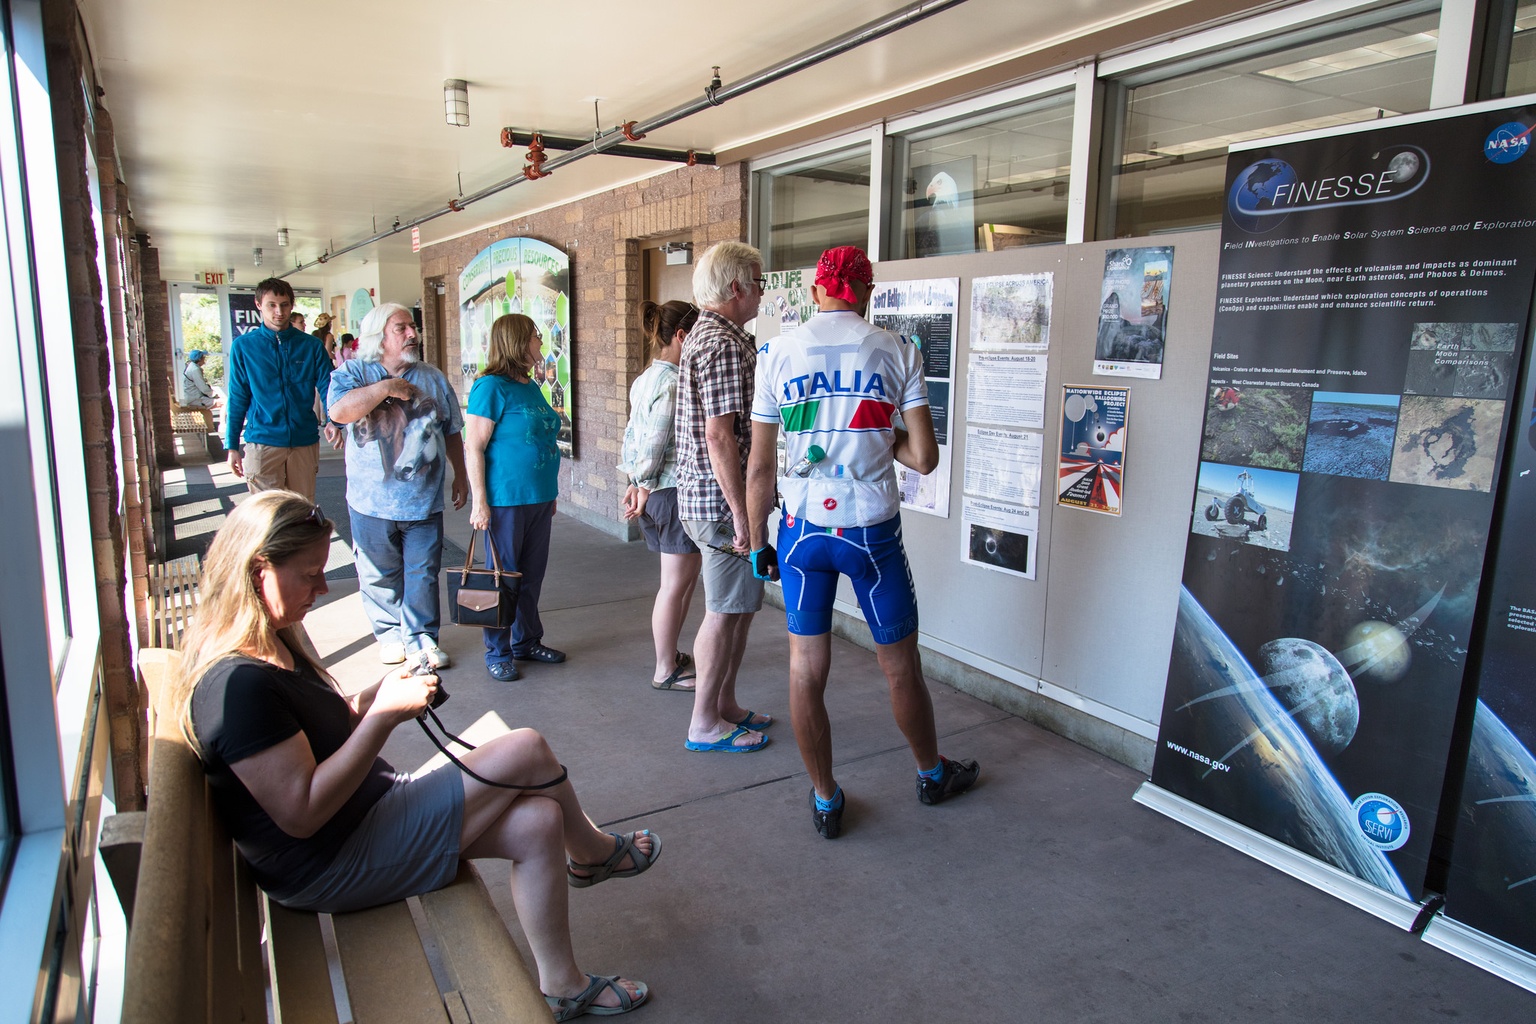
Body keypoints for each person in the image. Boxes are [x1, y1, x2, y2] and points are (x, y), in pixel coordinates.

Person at [169, 491, 657, 1021]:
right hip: (331, 861)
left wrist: (370, 699)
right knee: (527, 749)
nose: (321, 586)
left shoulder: (273, 641)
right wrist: (382, 718)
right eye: (309, 574)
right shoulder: (234, 689)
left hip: (362, 817)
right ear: (258, 570)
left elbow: (312, 733)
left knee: (539, 821)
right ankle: (591, 854)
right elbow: (302, 812)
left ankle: (563, 985)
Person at [745, 245, 980, 839]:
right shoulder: (899, 350)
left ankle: (825, 799)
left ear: (818, 291)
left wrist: (755, 542)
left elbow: (759, 467)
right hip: (871, 530)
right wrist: (879, 434)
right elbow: (924, 457)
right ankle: (931, 773)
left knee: (805, 670)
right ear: (866, 292)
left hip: (800, 533)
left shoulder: (774, 353)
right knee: (900, 668)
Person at [328, 303, 468, 669]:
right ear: (380, 337)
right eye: (401, 328)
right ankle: (390, 635)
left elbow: (452, 430)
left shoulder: (433, 377)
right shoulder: (355, 372)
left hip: (423, 501)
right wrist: (387, 387)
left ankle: (422, 639)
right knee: (379, 573)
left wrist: (461, 475)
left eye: (412, 326)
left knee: (422, 572)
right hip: (370, 502)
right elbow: (339, 412)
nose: (412, 333)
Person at [673, 241, 773, 752]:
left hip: (711, 501)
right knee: (724, 610)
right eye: (758, 281)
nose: (762, 291)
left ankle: (724, 705)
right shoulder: (723, 344)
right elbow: (719, 435)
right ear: (735, 287)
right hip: (721, 505)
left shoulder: (715, 336)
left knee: (739, 607)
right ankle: (703, 724)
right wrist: (742, 515)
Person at [465, 314, 566, 681]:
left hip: (538, 497)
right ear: (518, 342)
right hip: (505, 499)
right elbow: (473, 447)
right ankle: (498, 651)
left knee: (531, 577)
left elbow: (539, 439)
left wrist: (548, 492)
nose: (541, 343)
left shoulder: (528, 384)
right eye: (536, 337)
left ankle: (526, 641)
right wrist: (480, 501)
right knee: (502, 579)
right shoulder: (491, 387)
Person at [620, 299, 702, 691]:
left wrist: (635, 483)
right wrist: (645, 482)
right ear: (681, 336)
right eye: (697, 334)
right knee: (675, 585)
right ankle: (665, 668)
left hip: (654, 492)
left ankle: (671, 657)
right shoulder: (672, 383)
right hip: (669, 493)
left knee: (677, 583)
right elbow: (652, 445)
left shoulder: (646, 378)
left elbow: (631, 439)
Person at [224, 277, 338, 501]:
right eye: (272, 305)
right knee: (267, 517)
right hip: (262, 442)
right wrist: (232, 445)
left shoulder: (310, 346)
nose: (279, 311)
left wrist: (335, 419)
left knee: (302, 511)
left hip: (303, 442)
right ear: (259, 305)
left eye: (285, 305)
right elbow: (238, 397)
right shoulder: (244, 347)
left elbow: (328, 385)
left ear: (292, 305)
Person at [181, 348, 220, 431]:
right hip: (195, 399)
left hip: (192, 396)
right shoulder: (195, 369)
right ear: (199, 359)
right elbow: (203, 387)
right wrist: (214, 394)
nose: (204, 360)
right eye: (203, 357)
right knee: (224, 403)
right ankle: (223, 426)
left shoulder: (190, 366)